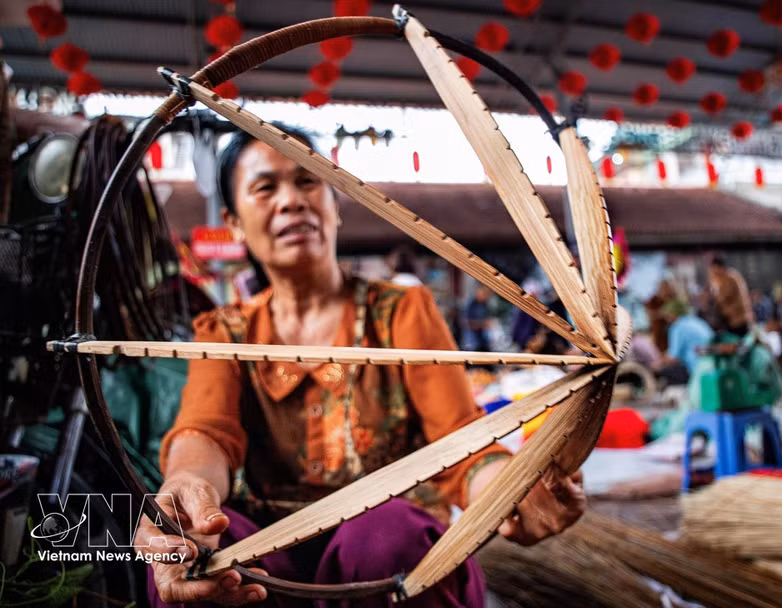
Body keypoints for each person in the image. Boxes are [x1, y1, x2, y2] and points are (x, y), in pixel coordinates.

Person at [136, 125, 586, 607]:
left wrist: (509, 491)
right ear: (234, 221)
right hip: (275, 564)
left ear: (334, 202)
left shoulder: (403, 312)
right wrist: (189, 489)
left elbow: (459, 442)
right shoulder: (223, 332)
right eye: (266, 188)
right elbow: (206, 433)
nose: (291, 201)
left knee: (387, 538)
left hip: (383, 567)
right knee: (190, 559)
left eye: (308, 181)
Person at [653, 298, 713, 386]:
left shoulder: (677, 327)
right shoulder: (695, 320)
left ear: (673, 314)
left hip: (697, 368)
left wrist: (657, 364)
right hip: (713, 363)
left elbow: (672, 358)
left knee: (662, 373)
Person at [465, 286, 492, 352]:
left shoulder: (484, 304)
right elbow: (468, 323)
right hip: (472, 337)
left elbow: (487, 319)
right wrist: (482, 324)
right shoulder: (471, 304)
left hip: (482, 336)